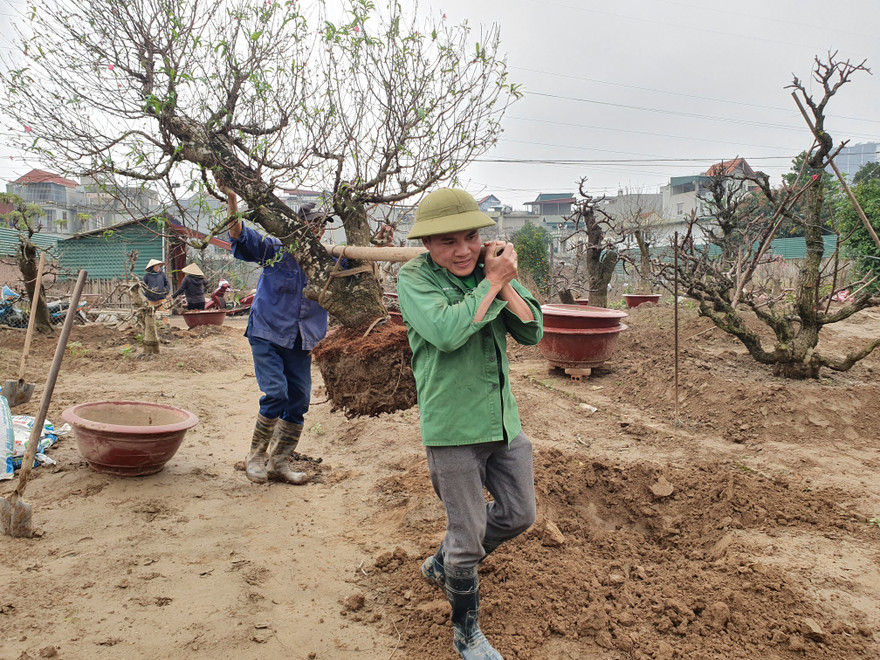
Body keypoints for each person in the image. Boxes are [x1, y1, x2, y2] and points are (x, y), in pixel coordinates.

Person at [396, 188, 543, 660]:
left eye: (470, 237)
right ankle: (466, 633)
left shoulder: (488, 270)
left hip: (502, 420)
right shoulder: (414, 279)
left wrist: (503, 281)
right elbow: (447, 332)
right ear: (426, 245)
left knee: (520, 514)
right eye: (446, 242)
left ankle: (443, 563)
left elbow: (532, 331)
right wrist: (491, 284)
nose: (462, 250)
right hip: (454, 428)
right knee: (468, 535)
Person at [225, 190, 330, 485]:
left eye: (321, 224)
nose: (317, 229)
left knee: (298, 400)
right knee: (276, 393)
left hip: (302, 339)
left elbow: (359, 275)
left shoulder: (328, 260)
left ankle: (280, 462)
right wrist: (232, 200)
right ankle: (256, 457)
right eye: (312, 223)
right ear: (298, 226)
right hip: (267, 333)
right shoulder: (275, 249)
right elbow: (240, 236)